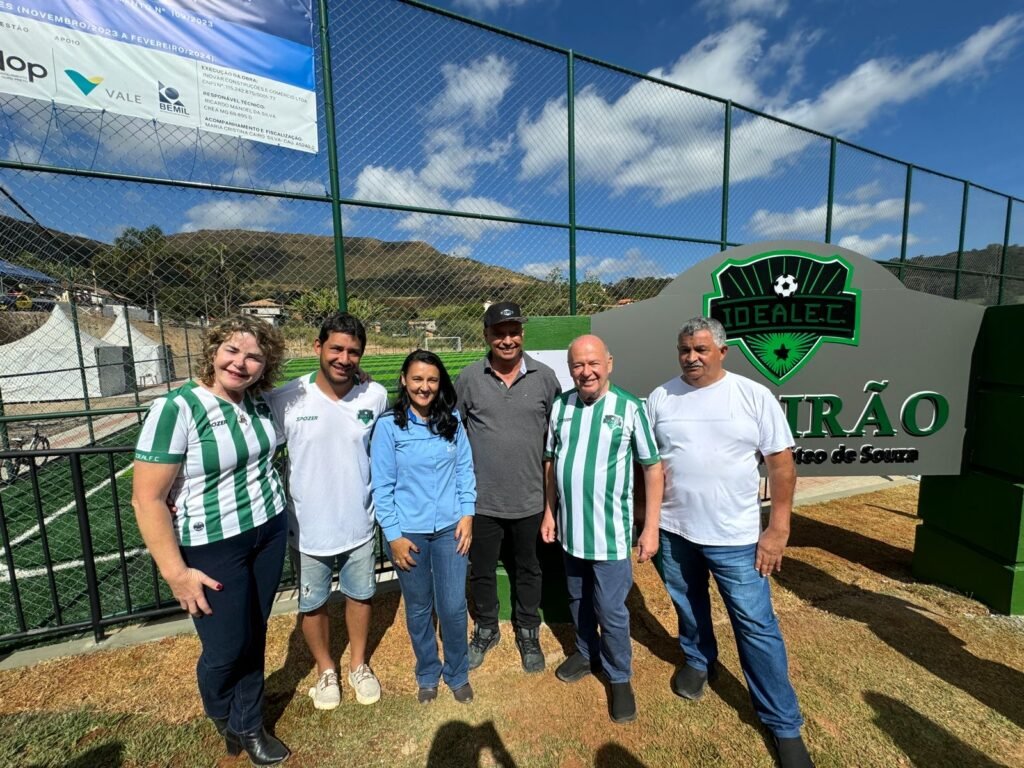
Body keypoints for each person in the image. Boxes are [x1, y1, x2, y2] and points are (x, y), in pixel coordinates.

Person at [645, 316, 813, 768]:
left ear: (723, 351)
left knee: (756, 626)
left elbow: (781, 465)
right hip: (675, 529)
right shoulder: (661, 397)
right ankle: (699, 661)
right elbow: (651, 465)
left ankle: (783, 724)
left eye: (701, 349)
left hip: (736, 538)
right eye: (685, 350)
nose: (691, 358)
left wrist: (778, 529)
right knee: (688, 604)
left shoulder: (752, 396)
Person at [132, 316, 290, 766]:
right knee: (225, 646)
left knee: (255, 632)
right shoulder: (178, 408)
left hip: (268, 531)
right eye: (232, 351)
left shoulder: (257, 403)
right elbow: (147, 500)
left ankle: (249, 723)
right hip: (212, 544)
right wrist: (176, 573)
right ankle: (221, 711)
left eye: (254, 356)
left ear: (265, 365)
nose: (240, 364)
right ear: (213, 351)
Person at [265, 313, 388, 710]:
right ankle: (324, 670)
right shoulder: (288, 397)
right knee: (312, 603)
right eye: (336, 348)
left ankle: (357, 665)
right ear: (318, 348)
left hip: (359, 523)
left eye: (353, 352)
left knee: (361, 596)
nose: (344, 358)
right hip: (308, 528)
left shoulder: (375, 396)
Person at [540, 334, 663, 724]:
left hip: (610, 534)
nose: (586, 371)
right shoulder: (561, 407)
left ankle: (619, 676)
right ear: (570, 368)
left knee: (611, 609)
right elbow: (550, 462)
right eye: (578, 365)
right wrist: (549, 512)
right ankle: (585, 651)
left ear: (609, 363)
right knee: (577, 599)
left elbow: (653, 467)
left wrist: (651, 527)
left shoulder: (628, 408)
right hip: (571, 531)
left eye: (593, 363)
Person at [455, 301, 561, 673]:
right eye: (499, 333)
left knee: (529, 569)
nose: (507, 339)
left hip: (531, 500)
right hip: (482, 502)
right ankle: (486, 628)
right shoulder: (469, 379)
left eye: (513, 332)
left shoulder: (546, 378)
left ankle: (528, 630)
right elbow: (452, 433)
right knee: (482, 570)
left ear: (522, 334)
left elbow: (557, 438)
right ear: (486, 335)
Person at [370, 349, 477, 704]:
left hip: (451, 529)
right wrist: (394, 535)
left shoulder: (452, 421)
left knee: (452, 605)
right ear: (404, 380)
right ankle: (428, 672)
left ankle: (457, 671)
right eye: (417, 379)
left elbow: (465, 471)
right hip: (408, 534)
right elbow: (382, 487)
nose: (424, 386)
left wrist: (467, 515)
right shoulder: (389, 426)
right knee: (418, 607)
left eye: (432, 380)